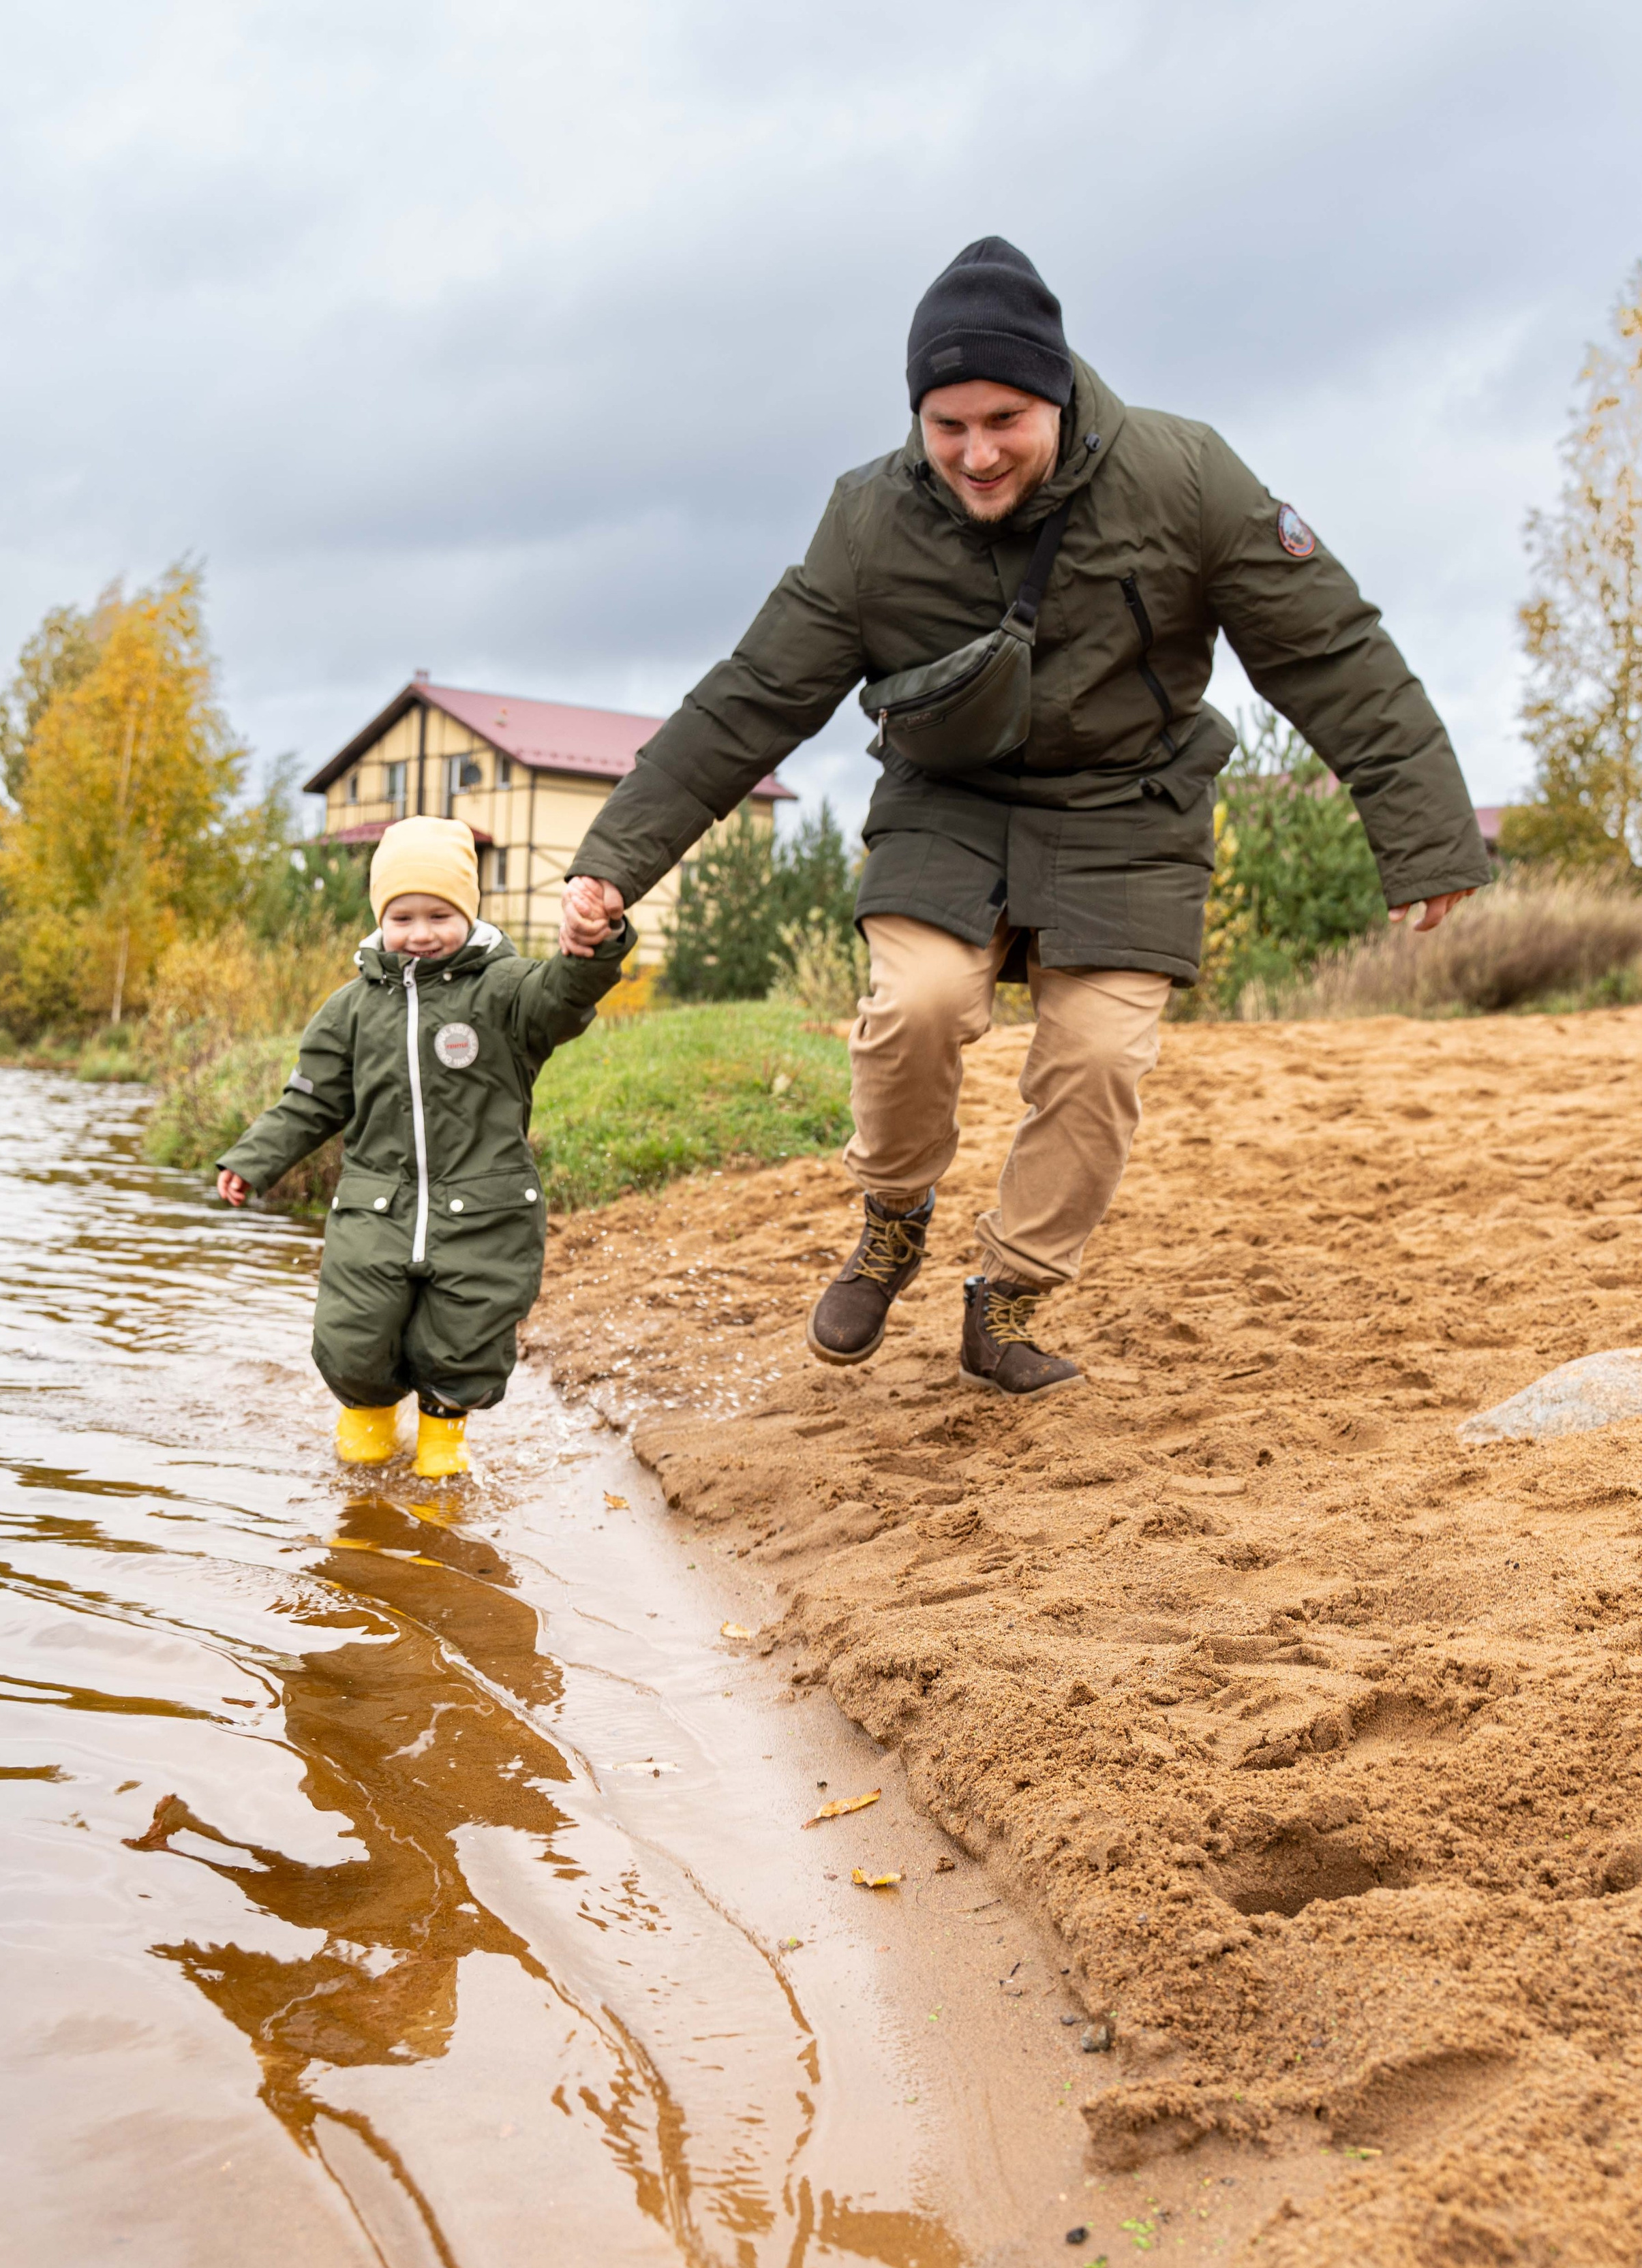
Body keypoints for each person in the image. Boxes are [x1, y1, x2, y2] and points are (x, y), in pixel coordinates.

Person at [559, 236, 1488, 1397]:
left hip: (1130, 809)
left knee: (1097, 1060)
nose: (978, 452)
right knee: (918, 1003)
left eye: (1005, 418)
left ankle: (1008, 1295)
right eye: (948, 426)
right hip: (948, 800)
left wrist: (1427, 833)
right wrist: (615, 860)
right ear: (918, 417)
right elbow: (752, 700)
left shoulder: (1186, 477)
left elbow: (1329, 650)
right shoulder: (868, 520)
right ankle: (895, 1214)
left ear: (1058, 393)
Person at [217, 816, 633, 1475]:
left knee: (462, 1344)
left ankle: (442, 1470)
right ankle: (362, 1460)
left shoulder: (505, 992)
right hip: (375, 1210)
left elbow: (564, 997)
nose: (420, 933)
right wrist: (252, 1159)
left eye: (439, 914)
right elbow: (311, 1100)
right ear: (381, 918)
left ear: (468, 912)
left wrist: (593, 946)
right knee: (352, 1336)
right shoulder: (350, 1009)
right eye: (402, 916)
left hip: (482, 1213)